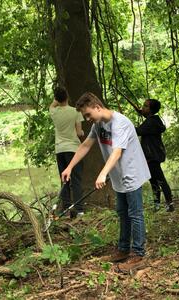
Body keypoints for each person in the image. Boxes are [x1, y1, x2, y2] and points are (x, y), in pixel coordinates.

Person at [61, 92, 150, 271]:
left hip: (131, 173)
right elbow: (86, 144)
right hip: (117, 175)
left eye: (88, 114)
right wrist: (69, 166)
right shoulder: (98, 124)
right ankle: (124, 249)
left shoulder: (120, 123)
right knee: (122, 213)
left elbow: (117, 151)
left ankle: (139, 254)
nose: (87, 119)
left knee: (135, 214)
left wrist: (102, 174)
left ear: (97, 107)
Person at [49, 87, 84, 217]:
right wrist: (82, 133)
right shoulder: (75, 112)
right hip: (73, 149)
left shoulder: (53, 111)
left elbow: (52, 104)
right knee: (76, 179)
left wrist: (56, 100)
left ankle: (66, 210)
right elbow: (79, 132)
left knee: (64, 180)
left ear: (57, 99)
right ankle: (79, 210)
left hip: (60, 150)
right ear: (67, 97)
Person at [135, 99, 174, 212]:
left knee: (160, 180)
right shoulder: (152, 120)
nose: (143, 107)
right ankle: (157, 204)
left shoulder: (151, 122)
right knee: (154, 181)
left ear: (151, 110)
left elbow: (137, 131)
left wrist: (127, 124)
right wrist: (141, 112)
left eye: (146, 106)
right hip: (152, 155)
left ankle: (169, 203)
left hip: (152, 155)